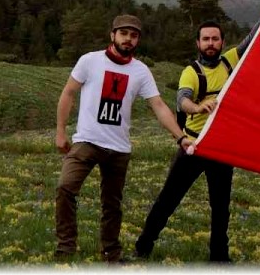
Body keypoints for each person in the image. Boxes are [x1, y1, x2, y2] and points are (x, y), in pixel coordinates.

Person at [54, 14, 191, 263]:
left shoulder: (141, 71)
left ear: (137, 40)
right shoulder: (90, 61)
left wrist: (180, 137)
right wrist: (61, 132)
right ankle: (65, 247)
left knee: (112, 205)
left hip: (118, 148)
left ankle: (111, 255)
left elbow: (158, 106)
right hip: (86, 141)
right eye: (124, 33)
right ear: (113, 35)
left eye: (134, 35)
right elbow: (68, 93)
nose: (128, 39)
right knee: (65, 187)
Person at [135, 20, 249, 263]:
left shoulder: (231, 60)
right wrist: (197, 108)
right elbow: (182, 101)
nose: (210, 44)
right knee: (168, 199)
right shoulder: (191, 72)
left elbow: (254, 36)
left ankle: (219, 258)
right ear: (198, 43)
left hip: (221, 147)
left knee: (221, 207)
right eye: (206, 39)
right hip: (194, 146)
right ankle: (143, 248)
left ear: (222, 42)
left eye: (215, 39)